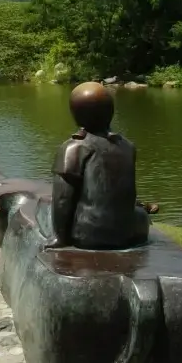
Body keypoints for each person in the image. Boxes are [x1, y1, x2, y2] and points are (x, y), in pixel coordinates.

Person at [44, 81, 151, 250]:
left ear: (76, 114)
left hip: (90, 234)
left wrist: (60, 238)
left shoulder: (74, 148)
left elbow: (62, 199)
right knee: (139, 212)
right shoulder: (127, 146)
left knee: (42, 209)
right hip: (130, 234)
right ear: (111, 111)